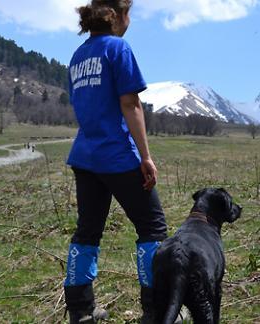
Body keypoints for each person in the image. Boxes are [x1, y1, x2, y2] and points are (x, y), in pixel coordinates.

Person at [63, 1, 167, 323]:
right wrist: (146, 157)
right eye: (129, 13)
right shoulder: (118, 48)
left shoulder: (78, 56)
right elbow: (130, 103)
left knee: (87, 232)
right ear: (118, 15)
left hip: (85, 156)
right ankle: (156, 311)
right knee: (152, 229)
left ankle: (80, 312)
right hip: (118, 155)